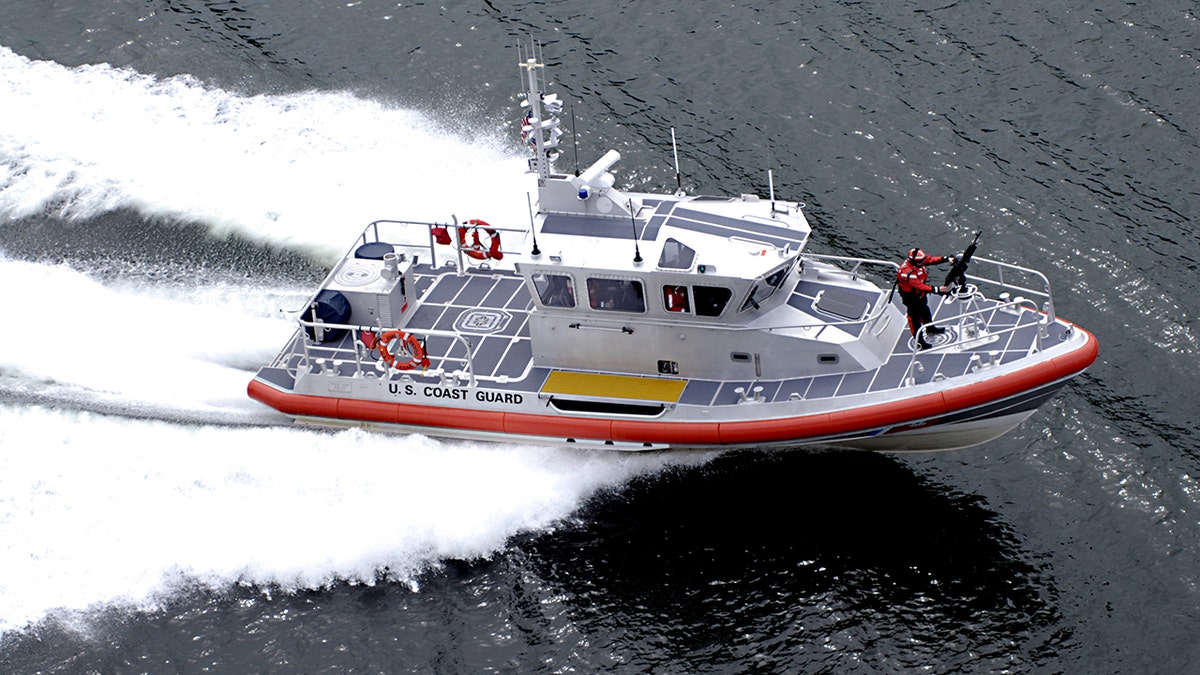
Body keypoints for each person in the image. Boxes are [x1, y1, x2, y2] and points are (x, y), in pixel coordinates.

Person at [896, 247, 956, 349]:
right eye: (920, 261)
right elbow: (919, 285)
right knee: (914, 319)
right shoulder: (907, 272)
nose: (923, 262)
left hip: (920, 295)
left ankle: (930, 328)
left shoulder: (918, 262)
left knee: (925, 312)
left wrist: (946, 259)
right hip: (911, 298)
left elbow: (930, 260)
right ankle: (919, 341)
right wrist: (937, 289)